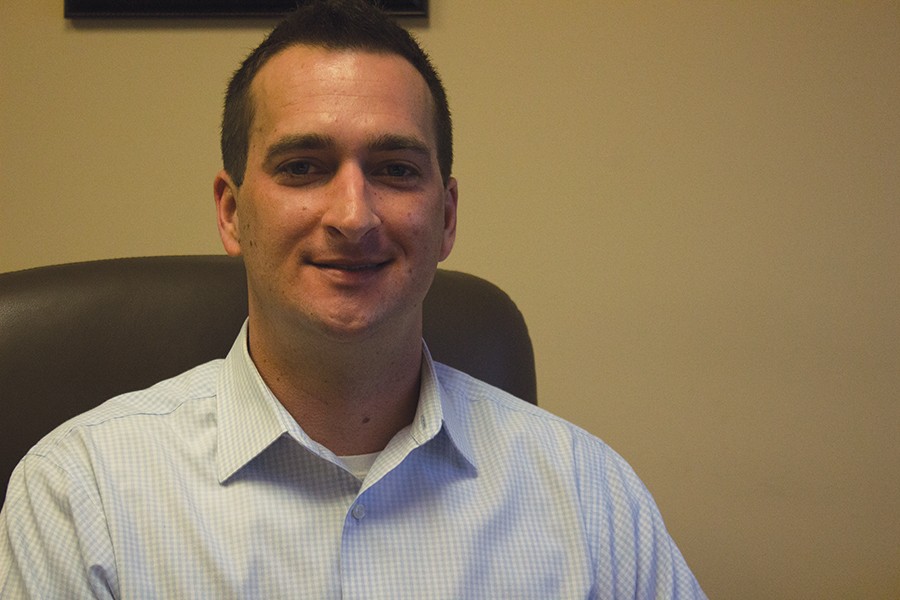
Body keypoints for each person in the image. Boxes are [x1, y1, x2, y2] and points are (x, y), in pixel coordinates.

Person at [0, 1, 705, 597]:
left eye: (395, 170)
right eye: (303, 167)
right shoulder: (81, 497)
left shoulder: (589, 497)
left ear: (447, 217)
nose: (354, 215)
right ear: (230, 212)